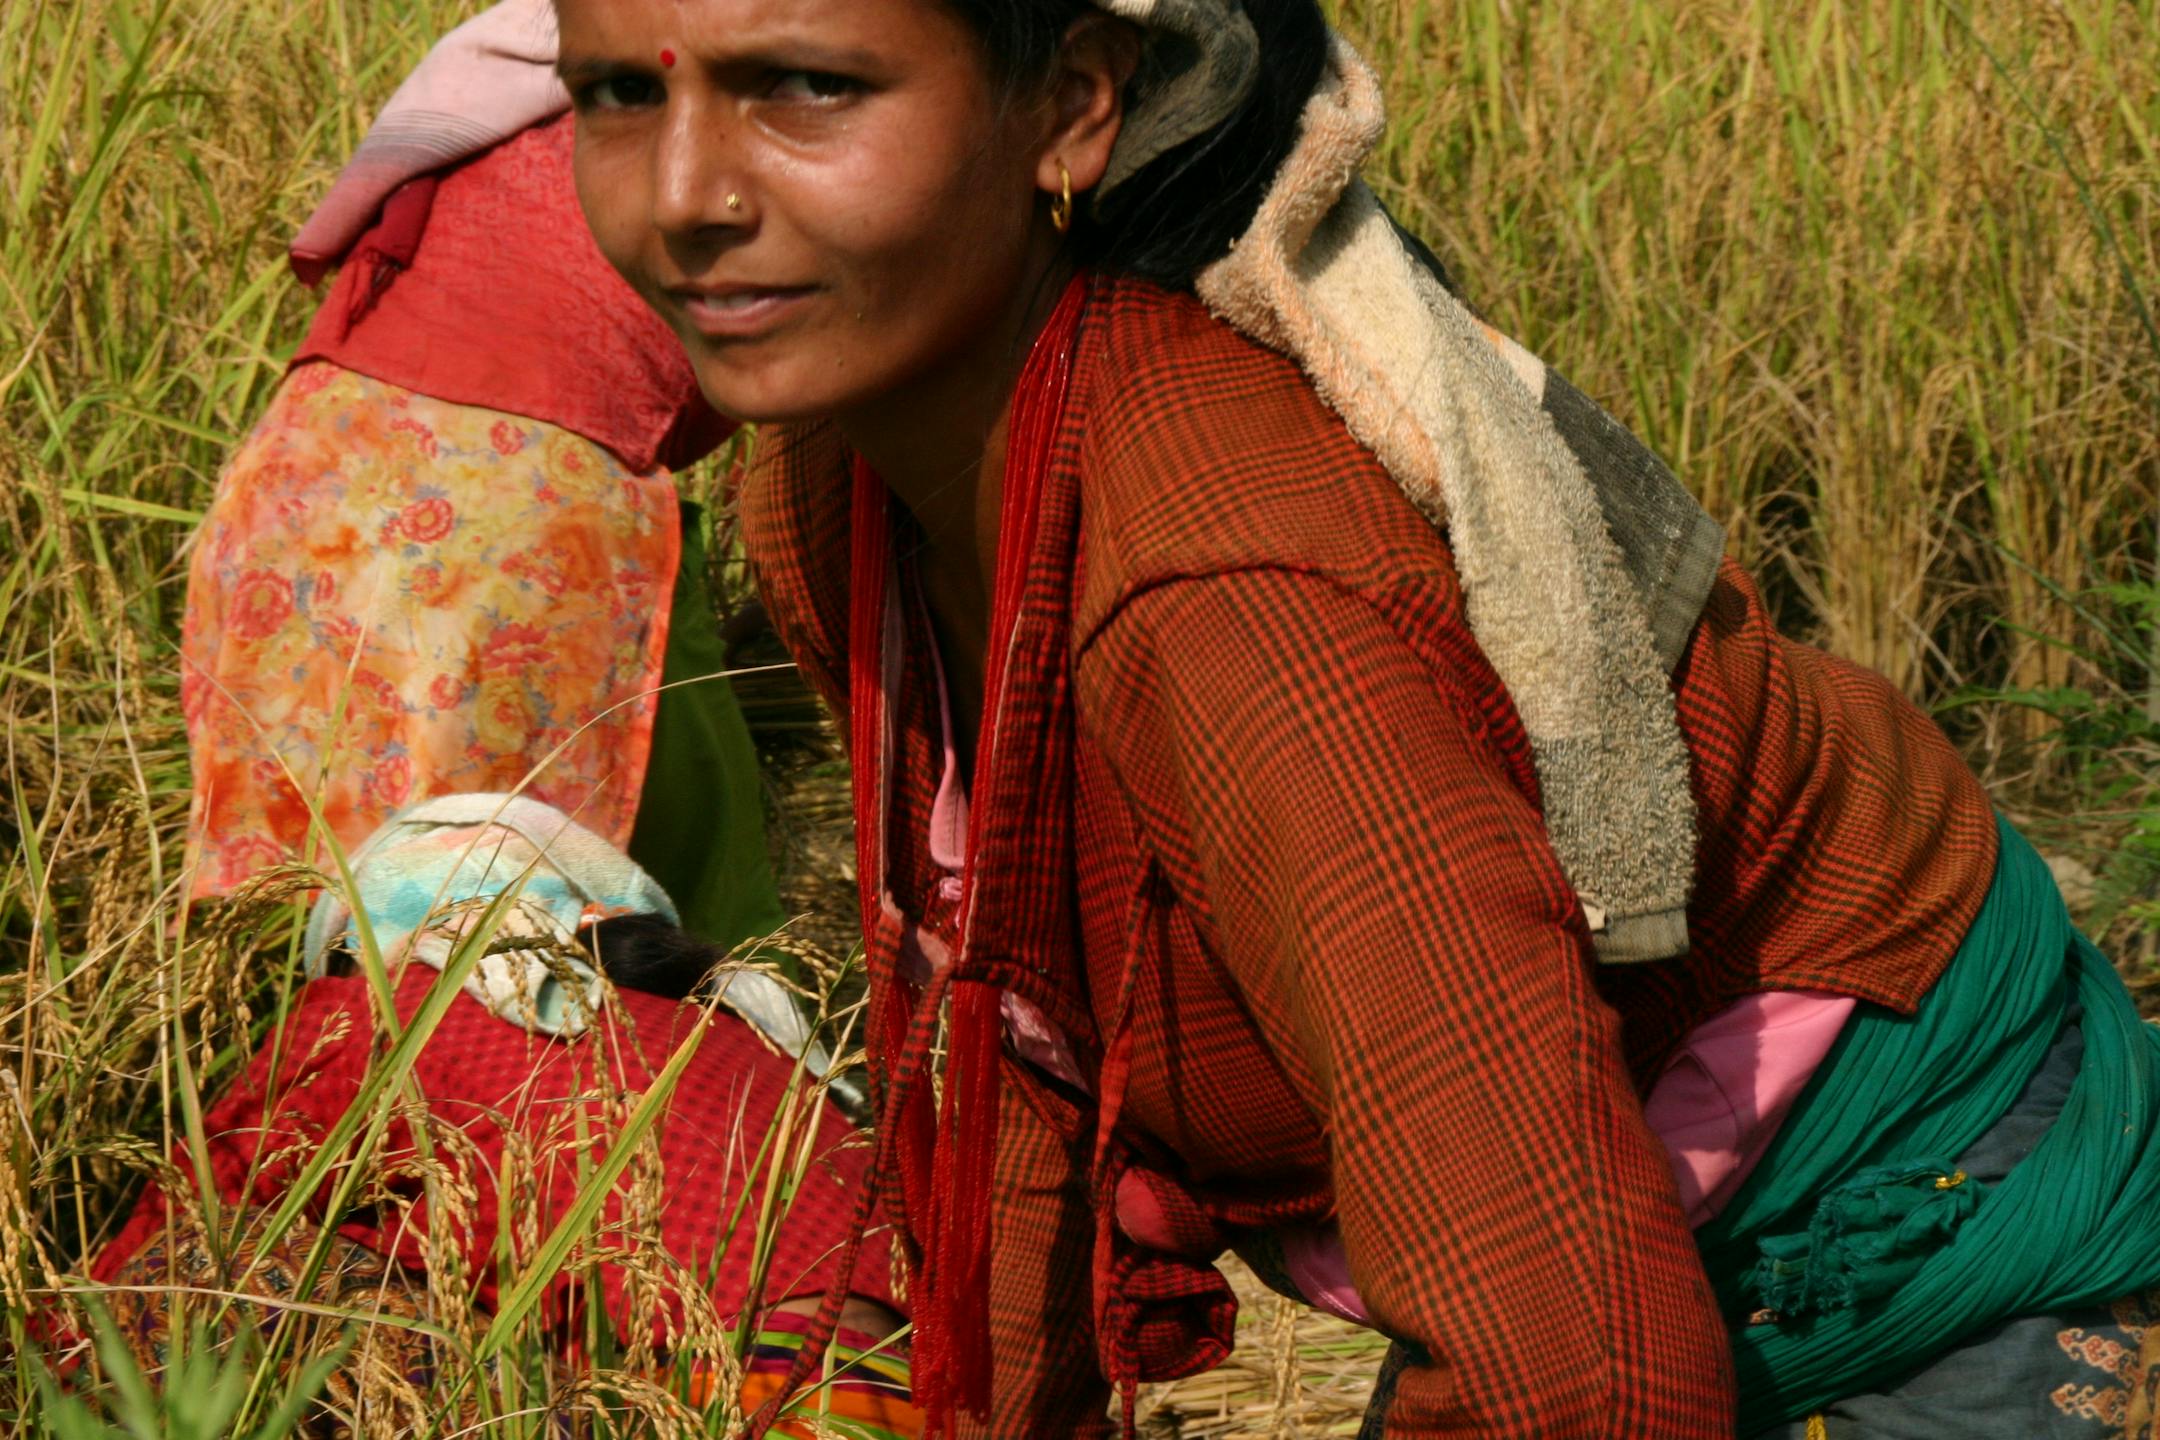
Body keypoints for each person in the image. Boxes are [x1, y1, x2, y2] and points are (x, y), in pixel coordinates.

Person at [377, 0, 2160, 1435]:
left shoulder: (1229, 608)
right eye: (620, 91)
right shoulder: (840, 478)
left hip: (1915, 1191)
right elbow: (1013, 1008)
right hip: (1582, 1184)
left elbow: (1576, 1374)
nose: (685, 192)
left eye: (811, 87)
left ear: (1075, 103)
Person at [180, 0, 781, 953]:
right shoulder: (740, 115)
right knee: (589, 916)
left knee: (337, 906)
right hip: (516, 522)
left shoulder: (517, 85)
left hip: (296, 491)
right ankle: (730, 1068)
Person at [79, 798, 917, 1438]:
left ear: (367, 938)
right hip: (897, 1394)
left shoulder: (376, 1012)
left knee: (203, 1269)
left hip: (727, 1407)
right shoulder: (736, 1032)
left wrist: (40, 1360)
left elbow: (187, 1212)